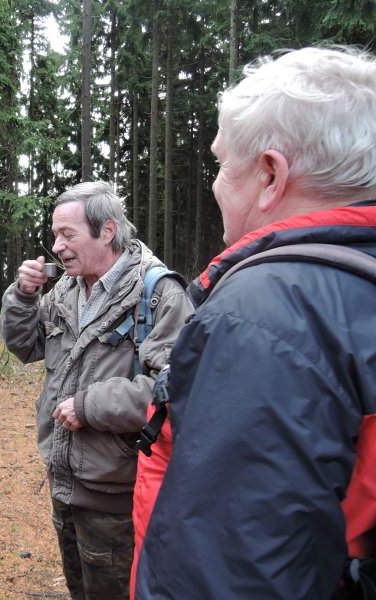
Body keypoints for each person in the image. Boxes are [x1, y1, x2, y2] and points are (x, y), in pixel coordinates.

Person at [134, 46, 376, 599]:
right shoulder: (355, 284)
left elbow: (230, 572)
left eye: (221, 165)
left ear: (270, 174)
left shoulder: (264, 317)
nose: (215, 185)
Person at [0, 181, 193, 599]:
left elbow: (180, 388)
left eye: (68, 235)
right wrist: (24, 296)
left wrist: (90, 405)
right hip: (65, 481)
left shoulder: (159, 294)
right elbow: (24, 345)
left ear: (106, 231)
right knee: (80, 588)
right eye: (54, 235)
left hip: (119, 491)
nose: (57, 246)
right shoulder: (67, 290)